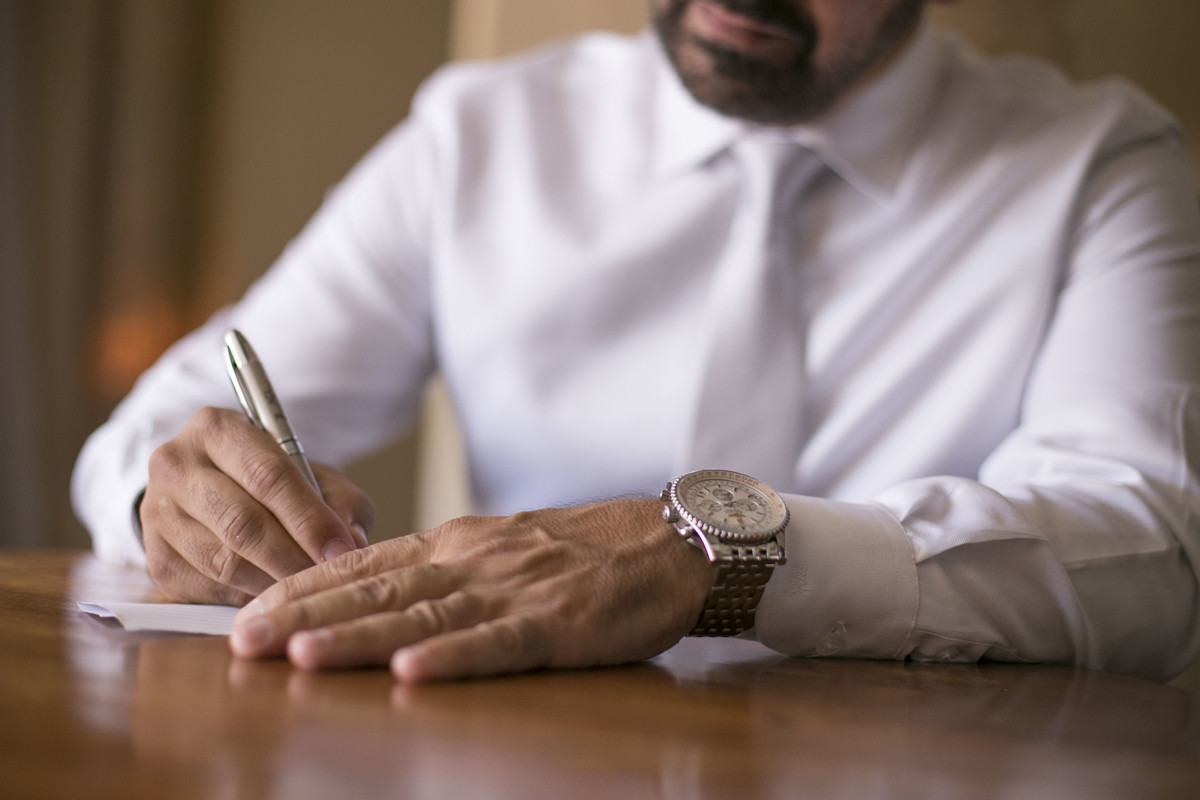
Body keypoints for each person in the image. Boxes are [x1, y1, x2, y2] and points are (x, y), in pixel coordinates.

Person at [72, 0, 1200, 683]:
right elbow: (156, 427)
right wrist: (172, 495)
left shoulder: (1105, 170)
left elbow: (1149, 552)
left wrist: (714, 553)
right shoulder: (480, 134)